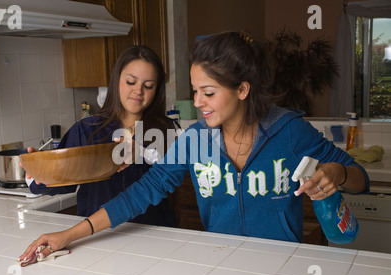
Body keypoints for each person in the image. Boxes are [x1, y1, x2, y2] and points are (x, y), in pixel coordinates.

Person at [20, 31, 369, 262]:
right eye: (195, 90)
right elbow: (139, 194)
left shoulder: (290, 132)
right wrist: (69, 234)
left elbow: (361, 178)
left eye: (209, 92)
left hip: (283, 266)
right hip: (219, 264)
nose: (198, 102)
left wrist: (337, 173)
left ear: (242, 90)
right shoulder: (194, 140)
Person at [26, 45, 177, 227]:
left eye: (148, 85)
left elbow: (175, 175)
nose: (138, 91)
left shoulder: (166, 129)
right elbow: (63, 181)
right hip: (98, 235)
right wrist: (40, 169)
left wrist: (143, 153)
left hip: (156, 234)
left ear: (156, 89)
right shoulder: (86, 130)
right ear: (117, 80)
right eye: (131, 82)